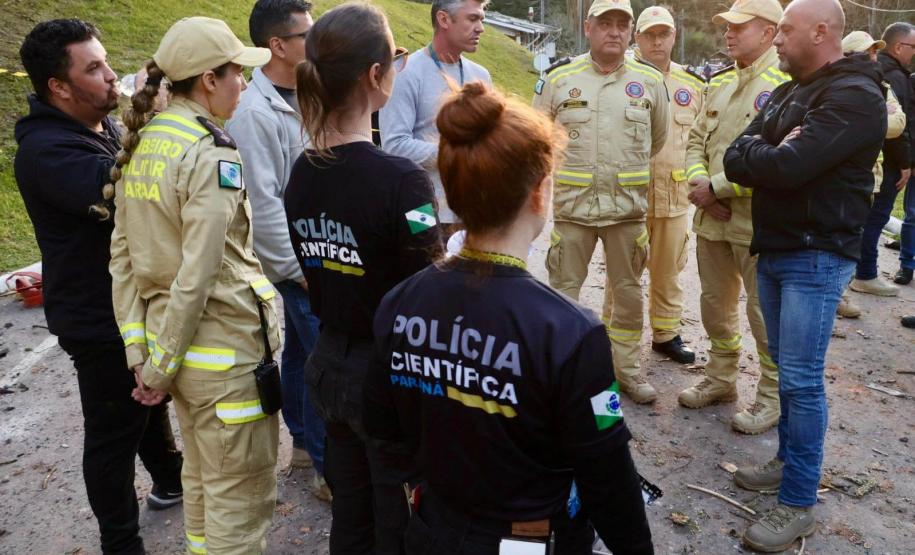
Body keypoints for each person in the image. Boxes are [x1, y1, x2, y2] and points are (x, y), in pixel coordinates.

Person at [366, 80, 653, 555]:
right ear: (540, 193)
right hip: (526, 539)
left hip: (431, 530)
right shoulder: (570, 333)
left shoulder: (400, 302)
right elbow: (607, 475)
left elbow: (383, 430)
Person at [108, 17, 281, 554]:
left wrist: (143, 352)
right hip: (224, 358)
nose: (245, 86)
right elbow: (199, 273)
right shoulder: (211, 151)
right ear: (209, 79)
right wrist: (156, 368)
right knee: (242, 503)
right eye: (237, 74)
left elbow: (122, 259)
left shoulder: (146, 142)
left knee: (203, 485)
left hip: (181, 359)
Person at [14, 19, 184, 555]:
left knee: (148, 399)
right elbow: (122, 195)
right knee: (113, 431)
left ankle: (170, 479)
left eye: (107, 63)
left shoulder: (97, 125)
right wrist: (165, 126)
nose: (113, 77)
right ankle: (121, 542)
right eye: (94, 68)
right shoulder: (45, 150)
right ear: (58, 87)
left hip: (128, 304)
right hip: (97, 317)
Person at [723, 0, 886, 549]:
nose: (777, 41)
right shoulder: (793, 89)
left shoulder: (855, 95)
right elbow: (735, 153)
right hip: (777, 248)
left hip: (816, 255)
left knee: (800, 379)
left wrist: (769, 152)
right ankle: (787, 463)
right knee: (783, 368)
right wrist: (769, 149)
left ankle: (797, 501)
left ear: (820, 32)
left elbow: (788, 167)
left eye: (786, 31)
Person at [284, 4, 443, 553]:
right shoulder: (402, 179)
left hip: (326, 362)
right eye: (395, 59)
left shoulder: (302, 171)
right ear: (376, 76)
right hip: (386, 372)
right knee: (396, 519)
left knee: (350, 513)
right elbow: (429, 279)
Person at [533, 0, 669, 404]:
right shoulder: (559, 79)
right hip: (573, 211)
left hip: (626, 212)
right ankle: (559, 374)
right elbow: (539, 140)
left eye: (621, 25)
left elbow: (656, 140)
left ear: (630, 32)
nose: (614, 31)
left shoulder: (649, 81)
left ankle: (625, 371)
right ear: (588, 28)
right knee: (562, 294)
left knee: (628, 296)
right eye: (605, 23)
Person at [225, 0, 330, 500]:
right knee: (326, 357)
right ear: (278, 45)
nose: (317, 40)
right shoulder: (254, 114)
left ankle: (306, 444)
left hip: (316, 249)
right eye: (307, 33)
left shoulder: (308, 89)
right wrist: (295, 269)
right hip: (299, 260)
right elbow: (262, 203)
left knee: (304, 352)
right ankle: (329, 470)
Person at [680, 0, 788, 435]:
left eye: (739, 27)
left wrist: (717, 188)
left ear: (768, 32)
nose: (728, 33)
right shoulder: (720, 83)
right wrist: (700, 188)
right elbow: (693, 143)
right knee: (713, 306)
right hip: (713, 220)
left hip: (757, 222)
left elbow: (781, 160)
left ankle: (771, 396)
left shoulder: (785, 85)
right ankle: (722, 379)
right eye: (726, 26)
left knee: (764, 315)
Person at [379, 0, 492, 232]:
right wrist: (458, 153)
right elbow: (394, 146)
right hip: (421, 210)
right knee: (425, 266)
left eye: (481, 18)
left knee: (472, 270)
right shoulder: (404, 72)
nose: (481, 27)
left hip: (473, 212)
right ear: (443, 20)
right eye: (472, 19)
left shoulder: (481, 75)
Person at [632, 6, 704, 364]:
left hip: (675, 197)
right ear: (637, 38)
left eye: (664, 34)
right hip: (631, 198)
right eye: (649, 34)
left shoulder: (693, 85)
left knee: (669, 271)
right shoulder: (621, 78)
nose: (657, 41)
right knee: (624, 275)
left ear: (675, 35)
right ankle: (620, 340)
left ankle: (666, 334)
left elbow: (702, 140)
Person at [835, 30, 908, 318]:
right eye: (868, 52)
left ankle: (850, 284)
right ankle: (837, 295)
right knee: (842, 234)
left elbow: (898, 123)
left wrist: (864, 119)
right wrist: (876, 117)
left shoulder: (882, 84)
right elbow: (885, 122)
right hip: (844, 175)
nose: (874, 57)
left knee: (858, 233)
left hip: (871, 175)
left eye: (875, 51)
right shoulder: (840, 83)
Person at [849, 22, 915, 296]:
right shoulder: (895, 78)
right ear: (900, 46)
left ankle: (859, 272)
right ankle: (865, 274)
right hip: (887, 163)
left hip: (872, 160)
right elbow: (898, 127)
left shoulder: (884, 74)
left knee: (867, 218)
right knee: (875, 218)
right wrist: (905, 164)